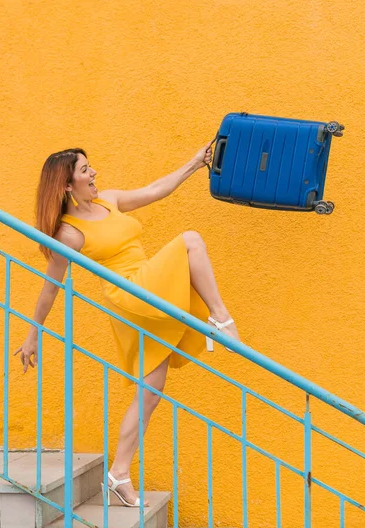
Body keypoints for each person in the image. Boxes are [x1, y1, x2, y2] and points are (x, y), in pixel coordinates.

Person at [14, 143, 241, 508]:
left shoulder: (109, 202)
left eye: (91, 167)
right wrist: (32, 333)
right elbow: (49, 288)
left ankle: (119, 473)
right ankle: (221, 319)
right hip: (130, 295)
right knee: (190, 241)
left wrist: (196, 164)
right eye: (86, 170)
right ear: (67, 184)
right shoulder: (69, 234)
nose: (94, 174)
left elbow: (155, 190)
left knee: (151, 390)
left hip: (144, 285)